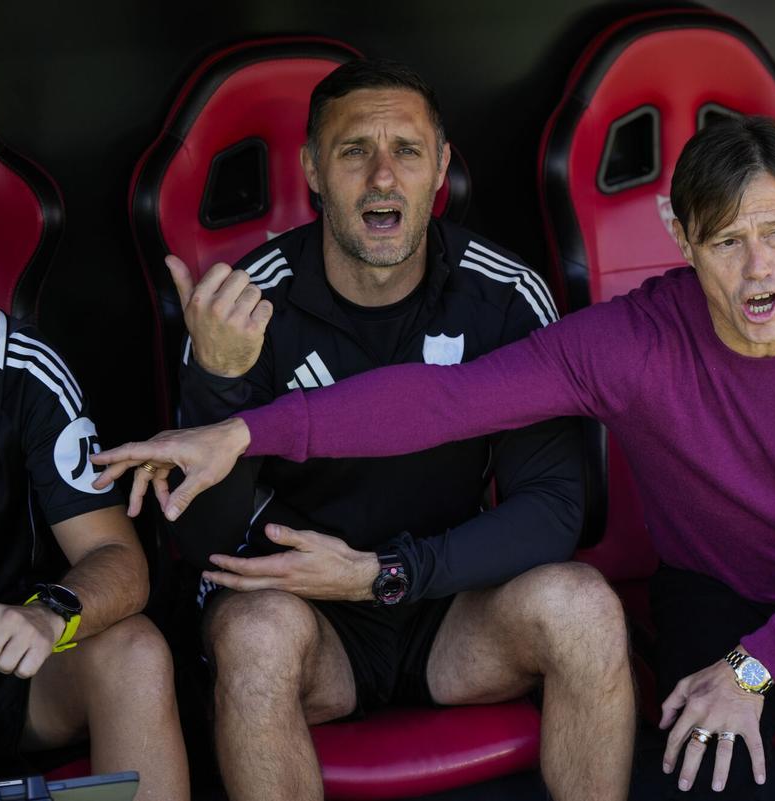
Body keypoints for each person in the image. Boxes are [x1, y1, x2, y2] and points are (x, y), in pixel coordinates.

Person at [95, 114, 775, 799]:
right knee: (703, 777)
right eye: (727, 242)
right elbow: (442, 399)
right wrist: (244, 429)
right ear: (682, 241)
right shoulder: (634, 339)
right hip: (722, 589)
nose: (758, 269)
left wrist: (755, 668)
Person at [152, 59, 633, 801]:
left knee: (585, 606)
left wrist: (392, 571)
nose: (383, 177)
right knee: (252, 635)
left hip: (451, 605)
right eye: (354, 152)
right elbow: (195, 543)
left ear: (440, 167)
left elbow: (554, 510)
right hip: (309, 618)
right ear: (312, 169)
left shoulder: (502, 295)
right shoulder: (241, 306)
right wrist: (218, 381)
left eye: (406, 151)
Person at [0, 230, 188, 800]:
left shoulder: (17, 367)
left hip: (3, 666)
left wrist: (47, 615)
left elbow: (116, 559)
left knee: (134, 653)